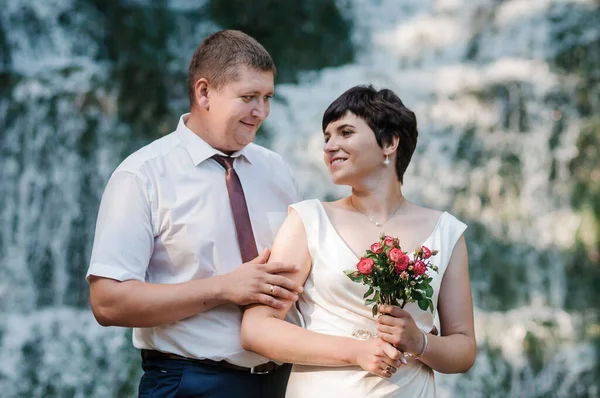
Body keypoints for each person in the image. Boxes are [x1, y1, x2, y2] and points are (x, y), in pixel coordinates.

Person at [86, 30, 307, 398]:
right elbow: (107, 302)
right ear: (204, 92)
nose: (261, 112)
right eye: (249, 97)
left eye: (267, 97)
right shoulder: (142, 175)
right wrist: (223, 288)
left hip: (285, 382)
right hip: (190, 382)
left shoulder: (277, 169)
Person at [240, 85, 476, 397]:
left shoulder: (446, 232)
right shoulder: (308, 220)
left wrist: (420, 342)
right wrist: (354, 351)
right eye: (327, 137)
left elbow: (464, 348)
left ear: (390, 142)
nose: (329, 146)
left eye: (345, 132)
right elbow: (257, 329)